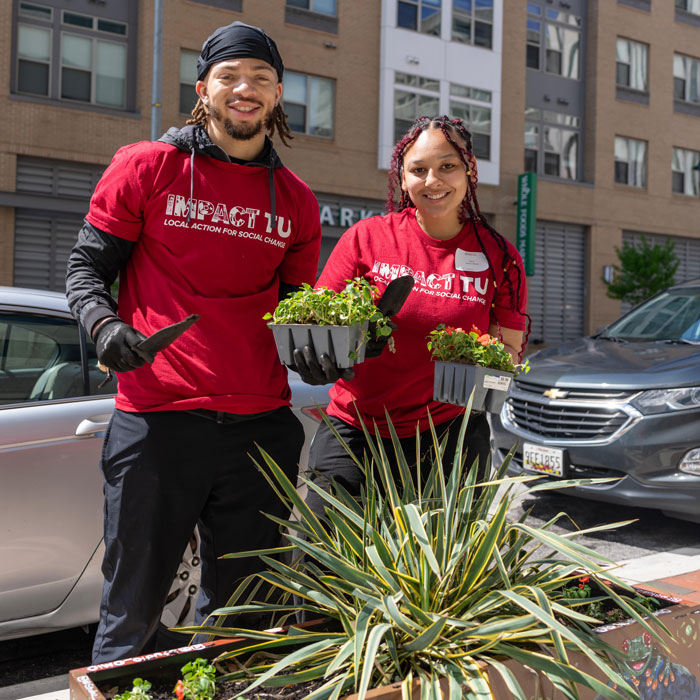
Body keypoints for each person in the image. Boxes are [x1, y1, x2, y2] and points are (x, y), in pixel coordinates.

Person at [65, 21, 321, 663]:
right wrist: (103, 325)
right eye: (231, 76)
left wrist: (329, 344)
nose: (246, 89)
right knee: (133, 612)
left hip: (260, 424)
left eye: (261, 78)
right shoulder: (147, 165)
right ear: (202, 87)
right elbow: (85, 269)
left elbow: (296, 311)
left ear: (279, 95)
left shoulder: (296, 199)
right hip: (158, 419)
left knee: (245, 617)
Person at [292, 115, 529, 513]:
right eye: (418, 170)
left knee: (438, 571)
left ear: (470, 171)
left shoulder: (498, 256)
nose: (432, 180)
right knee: (326, 566)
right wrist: (331, 353)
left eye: (447, 166)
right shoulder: (366, 238)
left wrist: (486, 368)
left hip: (448, 438)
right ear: (402, 179)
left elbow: (508, 349)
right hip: (355, 430)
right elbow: (319, 322)